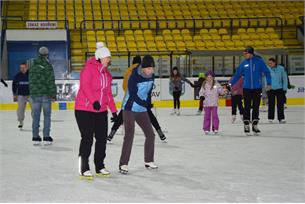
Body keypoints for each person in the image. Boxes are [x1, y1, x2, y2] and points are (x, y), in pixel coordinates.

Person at [75, 42, 117, 179]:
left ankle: (99, 166)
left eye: (109, 58)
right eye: (107, 57)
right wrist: (94, 101)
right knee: (87, 138)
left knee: (101, 139)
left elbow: (108, 94)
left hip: (101, 110)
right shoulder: (88, 69)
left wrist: (114, 111)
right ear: (100, 57)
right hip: (84, 109)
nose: (109, 60)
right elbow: (85, 87)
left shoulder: (107, 74)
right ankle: (83, 167)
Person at [107, 56, 167, 142]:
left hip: (130, 96)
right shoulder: (143, 69)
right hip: (140, 97)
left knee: (122, 115)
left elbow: (125, 84)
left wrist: (128, 92)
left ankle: (111, 134)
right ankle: (160, 132)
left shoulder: (128, 70)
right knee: (150, 115)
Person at [119, 55, 157, 174]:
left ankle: (149, 160)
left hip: (142, 109)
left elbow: (149, 91)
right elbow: (134, 95)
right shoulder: (134, 77)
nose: (151, 71)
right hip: (129, 108)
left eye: (152, 68)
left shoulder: (152, 77)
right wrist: (145, 103)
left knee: (150, 134)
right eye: (149, 68)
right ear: (143, 68)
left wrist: (148, 102)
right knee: (129, 135)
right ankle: (123, 164)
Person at [230, 46, 271, 135]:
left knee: (256, 106)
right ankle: (246, 124)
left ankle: (255, 125)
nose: (244, 55)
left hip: (257, 88)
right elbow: (237, 75)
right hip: (246, 89)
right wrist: (230, 84)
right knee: (247, 107)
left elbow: (267, 72)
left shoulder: (259, 62)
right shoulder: (244, 63)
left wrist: (269, 83)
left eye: (246, 53)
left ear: (251, 53)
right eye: (244, 54)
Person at [29, 46, 56, 145]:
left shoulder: (32, 65)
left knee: (36, 116)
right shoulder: (47, 65)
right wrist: (53, 94)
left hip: (35, 95)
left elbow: (31, 80)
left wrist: (32, 93)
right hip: (45, 94)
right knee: (47, 115)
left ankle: (35, 136)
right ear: (46, 55)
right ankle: (46, 136)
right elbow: (50, 81)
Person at [267, 58, 288, 123]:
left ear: (274, 62)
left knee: (280, 104)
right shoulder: (267, 69)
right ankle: (270, 118)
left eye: (270, 63)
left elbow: (284, 78)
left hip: (280, 88)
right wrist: (266, 86)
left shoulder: (281, 68)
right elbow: (265, 78)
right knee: (271, 104)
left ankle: (281, 118)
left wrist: (285, 88)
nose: (269, 64)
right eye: (269, 63)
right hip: (270, 89)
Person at [12, 62, 32, 128]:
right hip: (21, 95)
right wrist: (15, 94)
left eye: (24, 67)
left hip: (30, 95)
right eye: (21, 68)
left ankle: (36, 121)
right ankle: (21, 121)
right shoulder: (17, 76)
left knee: (35, 109)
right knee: (20, 109)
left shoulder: (31, 75)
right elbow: (14, 85)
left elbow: (36, 84)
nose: (22, 69)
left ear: (27, 68)